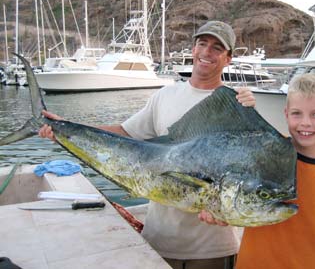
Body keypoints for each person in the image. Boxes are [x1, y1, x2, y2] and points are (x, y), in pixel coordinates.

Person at [39, 20, 256, 269]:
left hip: (214, 248)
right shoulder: (165, 95)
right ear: (193, 49)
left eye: (217, 47)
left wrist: (250, 109)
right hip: (159, 239)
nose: (207, 52)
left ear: (228, 58)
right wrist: (65, 127)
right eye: (202, 44)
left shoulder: (236, 105)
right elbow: (124, 132)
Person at [199, 73, 315, 269]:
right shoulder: (264, 154)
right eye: (297, 113)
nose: (305, 123)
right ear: (286, 114)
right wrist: (216, 211)